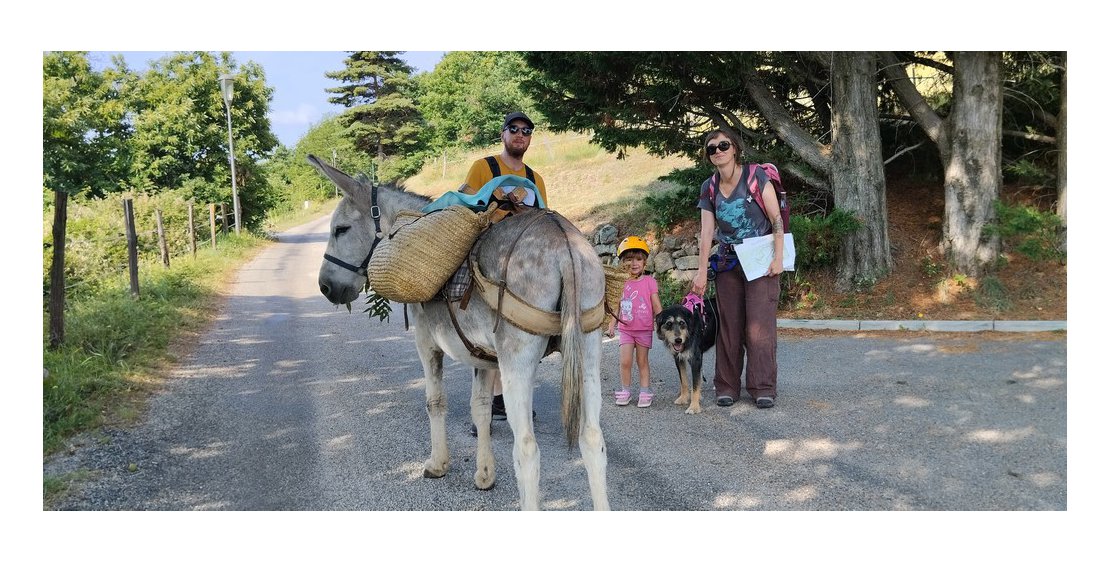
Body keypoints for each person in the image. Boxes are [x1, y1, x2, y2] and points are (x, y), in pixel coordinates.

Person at [459, 112, 545, 432]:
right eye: (514, 129)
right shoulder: (483, 167)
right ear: (503, 134)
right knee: (486, 333)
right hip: (487, 254)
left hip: (523, 261)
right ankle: (484, 405)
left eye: (527, 130)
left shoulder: (535, 179)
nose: (520, 134)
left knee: (521, 332)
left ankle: (505, 398)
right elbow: (465, 202)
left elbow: (544, 219)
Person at [691, 128, 783, 409]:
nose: (718, 151)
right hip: (728, 263)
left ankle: (762, 387)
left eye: (723, 145)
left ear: (735, 149)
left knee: (760, 326)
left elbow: (776, 219)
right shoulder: (709, 187)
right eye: (712, 148)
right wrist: (701, 271)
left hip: (761, 262)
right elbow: (707, 233)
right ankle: (727, 386)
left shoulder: (756, 176)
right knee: (728, 327)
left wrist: (778, 258)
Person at [605, 236, 663, 408]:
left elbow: (656, 305)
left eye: (638, 259)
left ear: (644, 262)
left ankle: (645, 391)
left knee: (642, 361)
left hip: (644, 329)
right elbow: (615, 305)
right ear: (622, 262)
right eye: (629, 259)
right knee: (625, 361)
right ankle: (625, 390)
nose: (634, 263)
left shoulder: (650, 282)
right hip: (626, 330)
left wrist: (661, 323)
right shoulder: (621, 282)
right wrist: (611, 325)